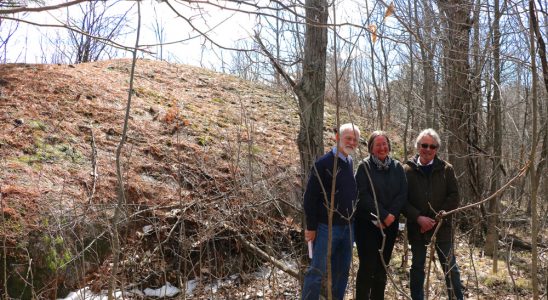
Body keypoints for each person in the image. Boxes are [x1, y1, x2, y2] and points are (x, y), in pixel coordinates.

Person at [403, 128, 464, 300]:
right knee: (417, 268)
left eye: (432, 146)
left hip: (443, 229)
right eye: (424, 145)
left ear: (437, 148)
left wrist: (436, 219)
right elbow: (402, 201)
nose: (428, 149)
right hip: (417, 230)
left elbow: (454, 197)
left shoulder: (446, 169)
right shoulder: (407, 170)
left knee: (450, 269)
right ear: (418, 146)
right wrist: (418, 218)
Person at [302, 123, 361, 300]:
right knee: (317, 271)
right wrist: (311, 227)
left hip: (348, 227)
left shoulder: (349, 162)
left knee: (341, 272)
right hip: (326, 227)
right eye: (348, 138)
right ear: (337, 138)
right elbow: (309, 198)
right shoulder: (323, 163)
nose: (351, 142)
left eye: (355, 140)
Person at [354, 131, 408, 299]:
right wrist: (383, 214)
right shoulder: (364, 167)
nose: (382, 148)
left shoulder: (397, 167)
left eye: (384, 144)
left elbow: (402, 193)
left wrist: (391, 216)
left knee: (382, 268)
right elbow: (362, 196)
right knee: (367, 266)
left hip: (390, 226)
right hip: (367, 225)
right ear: (371, 148)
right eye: (378, 145)